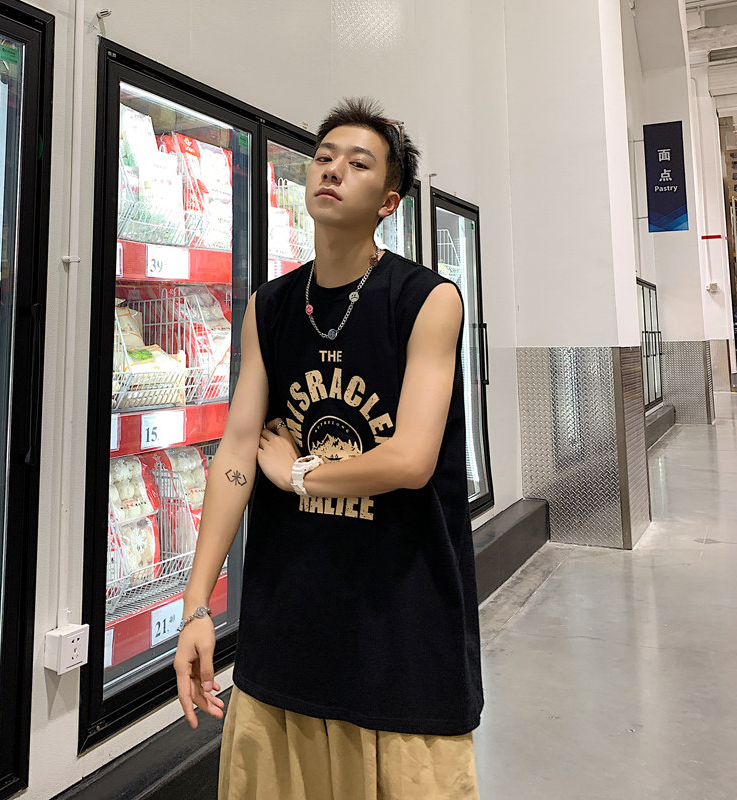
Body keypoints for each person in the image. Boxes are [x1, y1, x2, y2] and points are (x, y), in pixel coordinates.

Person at [174, 97, 483, 799]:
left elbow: (411, 460)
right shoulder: (271, 307)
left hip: (401, 635)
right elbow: (238, 451)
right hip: (287, 630)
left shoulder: (428, 301)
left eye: (359, 163)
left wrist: (301, 474)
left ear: (389, 202)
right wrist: (196, 606)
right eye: (323, 157)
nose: (333, 170)